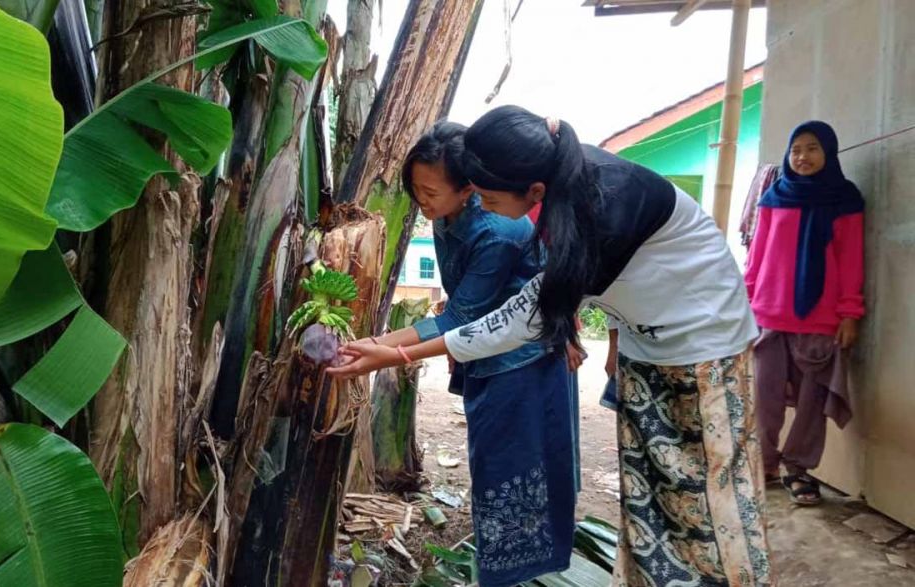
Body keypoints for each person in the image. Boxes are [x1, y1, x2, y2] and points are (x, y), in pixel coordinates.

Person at [330, 105, 774, 586]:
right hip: (649, 349)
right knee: (652, 496)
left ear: (533, 191)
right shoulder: (559, 187)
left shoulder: (599, 209)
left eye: (488, 197)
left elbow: (521, 318)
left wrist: (397, 353)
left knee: (712, 500)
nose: (482, 206)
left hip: (705, 347)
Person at [366, 121, 582, 586]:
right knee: (495, 471)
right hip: (485, 355)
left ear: (468, 189)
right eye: (415, 190)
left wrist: (381, 348)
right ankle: (506, 570)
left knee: (517, 473)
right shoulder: (446, 217)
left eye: (430, 192)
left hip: (522, 364)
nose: (421, 202)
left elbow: (458, 318)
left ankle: (517, 573)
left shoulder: (498, 230)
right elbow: (463, 313)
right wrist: (378, 343)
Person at [745, 120, 864, 506]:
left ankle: (799, 470)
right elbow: (756, 258)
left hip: (820, 319)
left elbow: (850, 261)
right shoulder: (773, 198)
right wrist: (744, 306)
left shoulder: (844, 199)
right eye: (796, 149)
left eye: (812, 148)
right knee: (764, 399)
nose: (802, 157)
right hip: (769, 315)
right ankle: (763, 465)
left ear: (828, 152)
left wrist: (850, 313)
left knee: (812, 404)